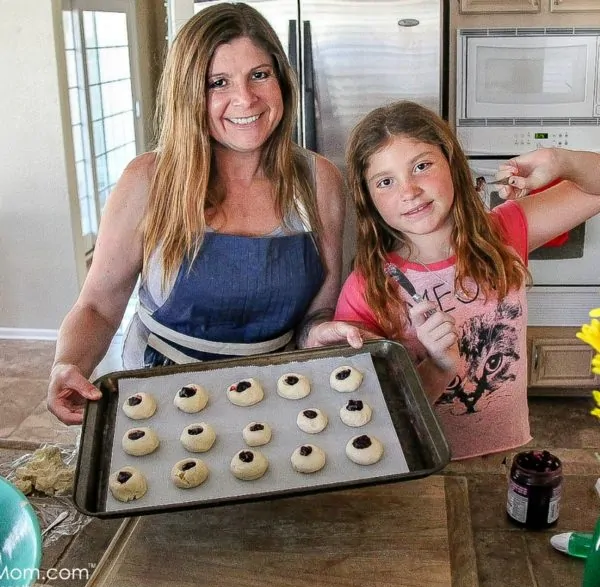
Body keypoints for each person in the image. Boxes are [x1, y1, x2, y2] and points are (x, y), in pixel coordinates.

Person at [47, 2, 364, 426]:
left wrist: (320, 332)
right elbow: (99, 308)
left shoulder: (318, 180)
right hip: (161, 396)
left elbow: (315, 317)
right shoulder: (149, 181)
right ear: (189, 93)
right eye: (218, 82)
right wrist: (66, 363)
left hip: (279, 396)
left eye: (259, 74)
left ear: (281, 80)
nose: (245, 98)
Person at [335, 100, 600, 460]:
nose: (408, 191)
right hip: (421, 465)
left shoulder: (504, 233)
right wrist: (437, 367)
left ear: (452, 164)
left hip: (507, 453)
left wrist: (560, 160)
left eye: (422, 166)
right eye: (385, 181)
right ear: (368, 198)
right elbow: (370, 411)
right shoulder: (368, 288)